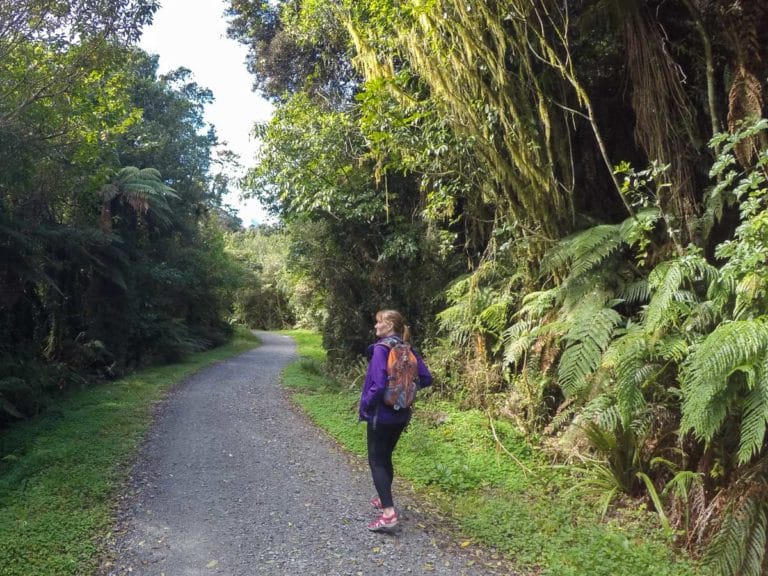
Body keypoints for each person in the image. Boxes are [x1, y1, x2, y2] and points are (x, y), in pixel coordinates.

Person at [359, 309, 432, 531]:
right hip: (402, 413)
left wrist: (366, 406)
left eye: (378, 323)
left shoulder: (382, 349)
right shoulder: (408, 349)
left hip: (381, 414)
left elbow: (379, 385)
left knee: (376, 460)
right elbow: (426, 378)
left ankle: (388, 515)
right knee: (385, 456)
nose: (375, 327)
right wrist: (405, 390)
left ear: (389, 325)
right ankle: (384, 499)